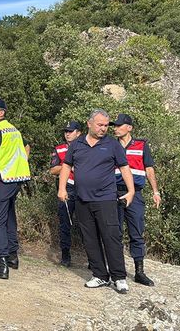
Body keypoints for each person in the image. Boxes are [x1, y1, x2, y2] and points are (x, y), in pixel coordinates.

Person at [58, 109, 135, 294]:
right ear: (89, 123)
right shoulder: (76, 145)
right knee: (90, 239)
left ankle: (119, 277)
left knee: (111, 237)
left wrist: (131, 191)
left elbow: (124, 168)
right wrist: (61, 189)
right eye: (100, 125)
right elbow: (66, 166)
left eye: (106, 125)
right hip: (82, 199)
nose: (103, 129)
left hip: (106, 199)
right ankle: (100, 275)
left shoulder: (112, 145)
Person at [0, 97, 30, 280]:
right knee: (9, 217)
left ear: (1, 112)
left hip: (1, 180)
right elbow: (27, 147)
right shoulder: (14, 129)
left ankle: (1, 263)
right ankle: (12, 256)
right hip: (15, 179)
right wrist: (19, 164)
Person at [111, 113, 161, 287]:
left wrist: (156, 191)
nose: (115, 128)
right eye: (114, 126)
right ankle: (117, 271)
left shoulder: (141, 145)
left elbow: (149, 169)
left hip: (136, 195)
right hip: (113, 193)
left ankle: (139, 272)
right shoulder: (110, 145)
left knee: (136, 232)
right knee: (114, 233)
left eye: (118, 125)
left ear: (129, 127)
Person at [49, 121, 82, 267]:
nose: (67, 134)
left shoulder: (86, 147)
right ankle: (65, 256)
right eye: (66, 131)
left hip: (84, 189)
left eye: (71, 131)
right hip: (66, 188)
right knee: (65, 223)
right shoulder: (59, 149)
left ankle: (92, 258)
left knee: (87, 224)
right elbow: (53, 170)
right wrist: (68, 166)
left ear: (79, 133)